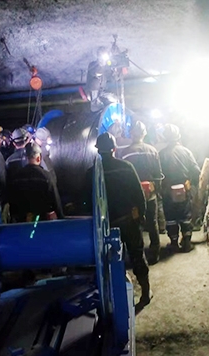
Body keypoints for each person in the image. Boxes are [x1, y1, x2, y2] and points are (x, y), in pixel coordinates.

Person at [86, 132, 152, 308]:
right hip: (128, 221)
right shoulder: (126, 167)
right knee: (137, 255)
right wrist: (141, 215)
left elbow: (86, 201)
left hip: (105, 226)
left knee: (111, 261)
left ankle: (116, 296)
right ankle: (145, 293)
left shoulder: (92, 173)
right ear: (114, 149)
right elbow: (139, 195)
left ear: (98, 151)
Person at [117, 121, 164, 264]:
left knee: (135, 224)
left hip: (133, 197)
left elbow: (122, 177)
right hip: (150, 193)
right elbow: (158, 174)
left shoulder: (124, 153)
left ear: (131, 134)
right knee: (152, 222)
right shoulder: (152, 150)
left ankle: (138, 255)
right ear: (144, 134)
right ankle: (155, 253)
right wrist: (156, 190)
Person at [159, 124, 201, 253]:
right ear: (178, 136)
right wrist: (190, 183)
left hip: (167, 191)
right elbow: (196, 171)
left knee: (170, 217)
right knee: (185, 215)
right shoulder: (186, 152)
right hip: (184, 190)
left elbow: (157, 173)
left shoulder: (161, 154)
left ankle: (174, 243)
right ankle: (187, 242)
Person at [6, 142, 63, 222]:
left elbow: (12, 200)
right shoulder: (46, 176)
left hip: (22, 219)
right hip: (42, 219)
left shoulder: (17, 177)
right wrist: (61, 216)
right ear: (38, 158)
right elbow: (55, 199)